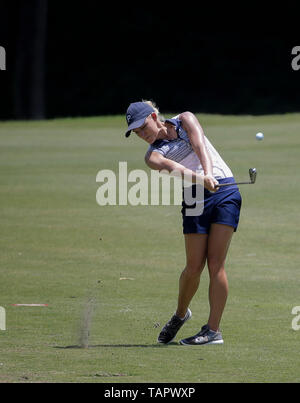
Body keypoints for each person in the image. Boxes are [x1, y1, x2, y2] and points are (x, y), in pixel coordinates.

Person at [124, 100, 242, 345]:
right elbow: (175, 168)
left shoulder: (185, 118)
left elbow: (200, 146)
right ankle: (180, 315)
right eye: (137, 133)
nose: (142, 135)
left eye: (143, 127)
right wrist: (201, 179)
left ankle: (213, 331)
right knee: (193, 267)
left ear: (155, 116)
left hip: (226, 191)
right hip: (195, 196)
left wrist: (208, 174)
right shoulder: (153, 156)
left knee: (216, 264)